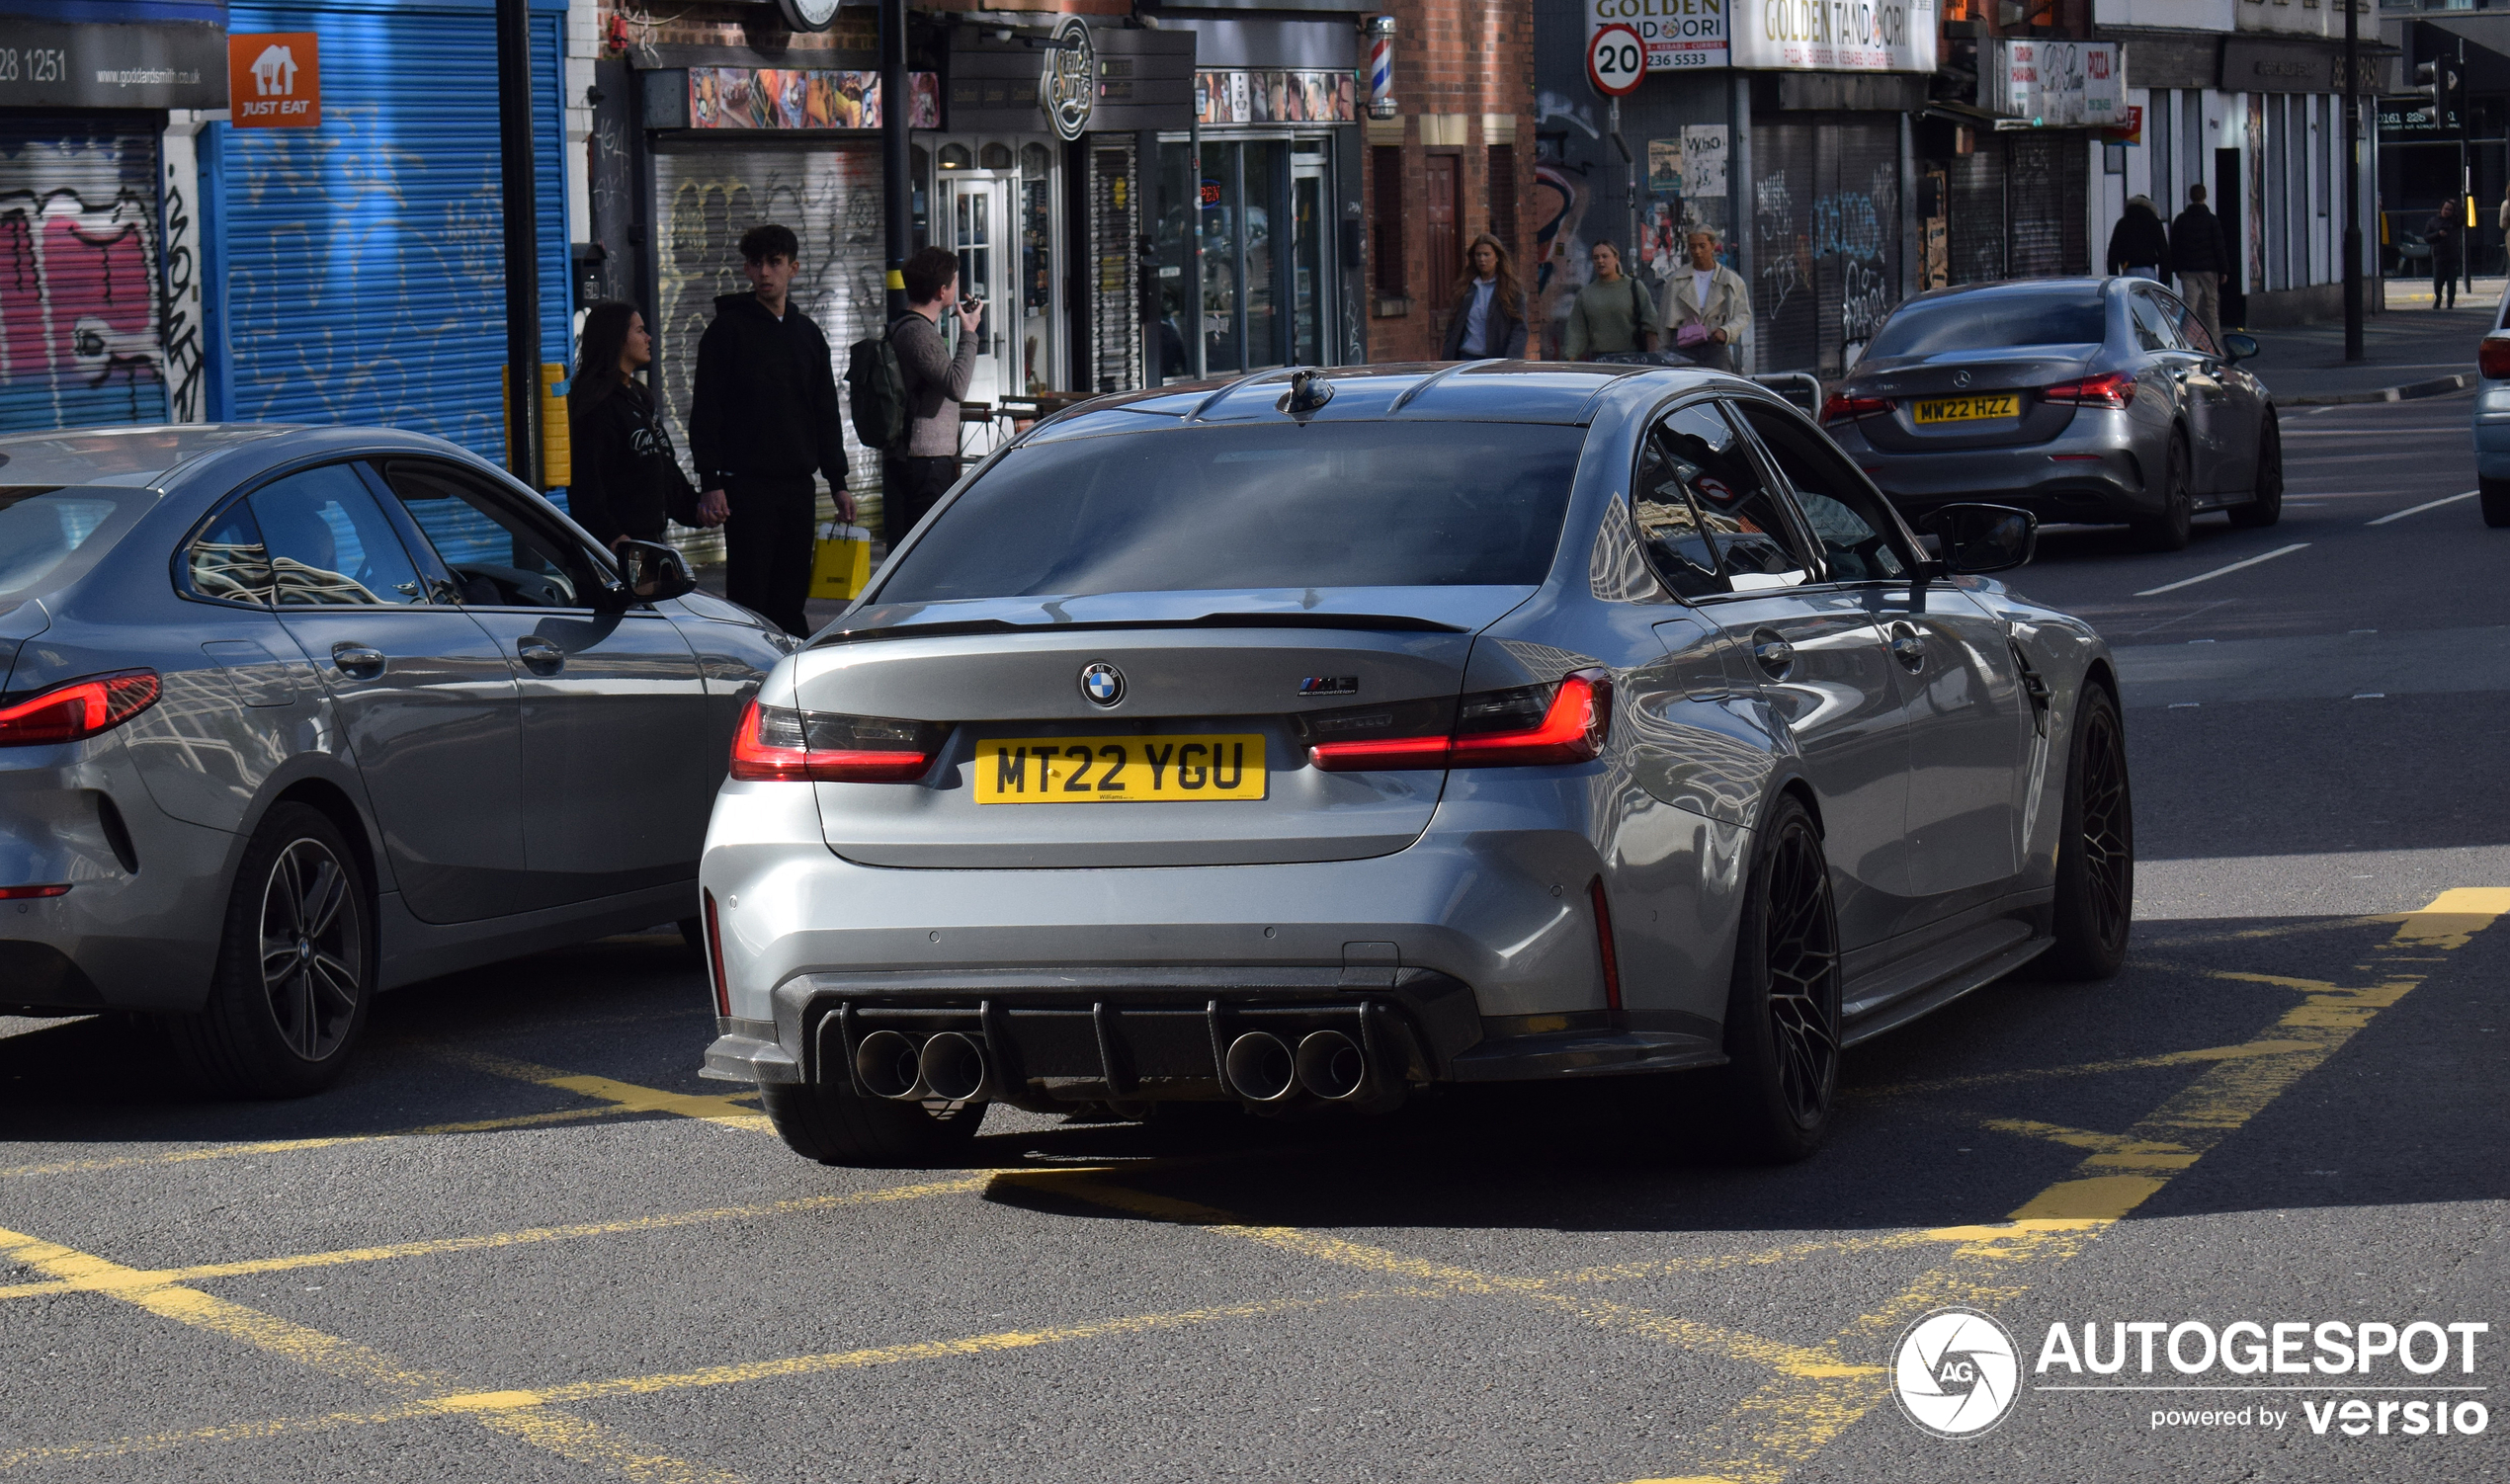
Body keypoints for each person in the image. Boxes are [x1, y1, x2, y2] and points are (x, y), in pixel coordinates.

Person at [689, 222, 852, 637]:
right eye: (756, 263)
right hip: (745, 486)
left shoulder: (808, 335)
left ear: (793, 268)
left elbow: (824, 412)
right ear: (746, 269)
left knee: (792, 598)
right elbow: (707, 410)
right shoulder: (726, 332)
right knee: (749, 600)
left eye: (774, 263)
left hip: (798, 486)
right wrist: (711, 480)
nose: (764, 272)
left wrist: (838, 481)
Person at [566, 300, 707, 556]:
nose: (649, 338)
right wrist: (612, 536)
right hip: (617, 551)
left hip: (650, 542)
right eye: (640, 330)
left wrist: (697, 508)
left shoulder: (641, 396)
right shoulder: (595, 404)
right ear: (617, 338)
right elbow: (586, 484)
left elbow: (664, 468)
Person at [884, 245, 982, 551]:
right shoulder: (919, 334)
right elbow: (956, 385)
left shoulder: (906, 326)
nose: (958, 288)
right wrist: (969, 332)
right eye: (955, 282)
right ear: (942, 291)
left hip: (919, 457)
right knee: (926, 551)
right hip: (923, 460)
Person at [1658, 227, 1752, 373]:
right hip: (1682, 348)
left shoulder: (1731, 280)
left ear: (1713, 246)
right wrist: (1662, 353)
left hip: (1715, 347)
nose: (1697, 251)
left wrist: (1726, 331)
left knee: (1720, 387)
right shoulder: (1675, 281)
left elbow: (1743, 314)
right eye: (1692, 246)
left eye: (1702, 246)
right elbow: (1664, 320)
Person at [1440, 232, 1528, 360]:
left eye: (1487, 255)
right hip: (1466, 357)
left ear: (1497, 257)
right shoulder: (1465, 287)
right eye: (1478, 255)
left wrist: (1511, 361)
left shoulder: (1511, 288)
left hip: (1496, 359)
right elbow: (1452, 327)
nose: (1482, 259)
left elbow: (1519, 328)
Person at [2168, 185, 2229, 351]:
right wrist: (2224, 270)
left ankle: (2186, 341)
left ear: (2190, 197)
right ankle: (2215, 344)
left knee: (2189, 305)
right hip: (2209, 269)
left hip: (2188, 269)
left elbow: (2175, 246)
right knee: (2210, 306)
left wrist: (2177, 268)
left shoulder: (2181, 220)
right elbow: (2219, 246)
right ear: (2205, 197)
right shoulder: (2211, 220)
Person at [2105, 196, 2171, 282]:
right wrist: (2164, 279)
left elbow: (2113, 252)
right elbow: (2163, 251)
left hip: (2129, 268)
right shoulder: (2154, 222)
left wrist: (2113, 276)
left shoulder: (2123, 223)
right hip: (2148, 269)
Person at [2424, 196, 2463, 310]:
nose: (2447, 212)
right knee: (2438, 282)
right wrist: (2438, 234)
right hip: (2439, 255)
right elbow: (2426, 237)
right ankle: (2438, 299)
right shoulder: (2433, 221)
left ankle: (2450, 303)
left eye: (2450, 209)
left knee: (2452, 282)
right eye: (2446, 209)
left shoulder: (2454, 222)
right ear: (2441, 209)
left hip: (2452, 256)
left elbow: (2462, 217)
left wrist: (2456, 204)